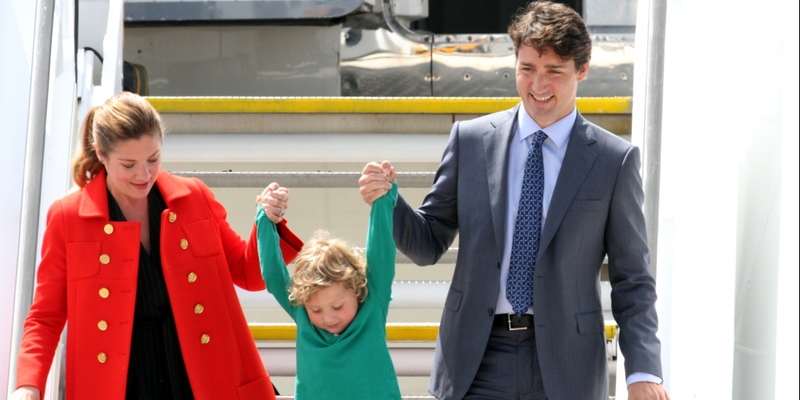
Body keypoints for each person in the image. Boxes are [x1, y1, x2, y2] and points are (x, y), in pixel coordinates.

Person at [358, 2, 670, 400]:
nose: (537, 85)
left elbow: (633, 281)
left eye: (554, 71)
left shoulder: (614, 160)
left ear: (583, 69)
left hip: (566, 365)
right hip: (476, 359)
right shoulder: (470, 142)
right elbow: (427, 244)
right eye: (527, 69)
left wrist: (643, 371)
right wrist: (389, 202)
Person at [10, 92, 303, 400]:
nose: (143, 174)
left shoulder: (194, 197)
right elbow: (45, 315)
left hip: (207, 375)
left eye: (153, 159)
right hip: (123, 383)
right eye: (128, 164)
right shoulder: (68, 217)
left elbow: (249, 273)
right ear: (101, 154)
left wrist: (266, 222)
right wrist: (28, 385)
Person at [255, 178, 401, 399]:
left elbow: (381, 251)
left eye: (338, 305)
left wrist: (382, 200)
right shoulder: (300, 310)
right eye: (316, 310)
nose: (329, 317)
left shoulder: (373, 303)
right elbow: (273, 275)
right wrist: (265, 217)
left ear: (357, 290)